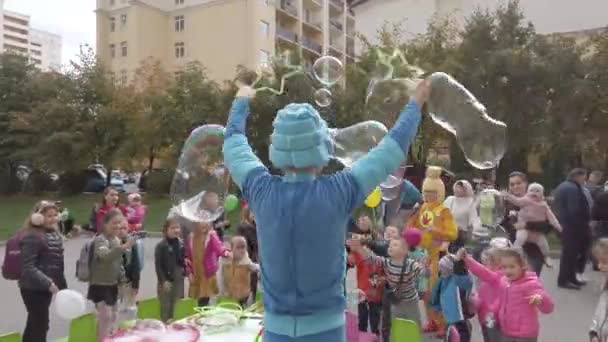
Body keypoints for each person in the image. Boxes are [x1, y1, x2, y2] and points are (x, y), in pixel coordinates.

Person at [222, 78, 429, 342]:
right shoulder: (339, 191)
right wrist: (416, 102)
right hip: (326, 331)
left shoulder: (260, 190)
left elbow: (233, 145)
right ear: (319, 148)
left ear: (278, 148)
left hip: (276, 330)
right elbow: (392, 150)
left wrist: (241, 101)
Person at [461, 247, 554, 342]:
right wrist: (467, 260)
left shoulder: (530, 283)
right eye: (504, 267)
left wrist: (541, 299)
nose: (508, 271)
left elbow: (548, 307)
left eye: (512, 267)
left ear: (523, 266)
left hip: (525, 334)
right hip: (507, 332)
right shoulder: (504, 281)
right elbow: (485, 274)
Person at [406, 166, 458, 336]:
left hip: (437, 257)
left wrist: (436, 232)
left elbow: (453, 233)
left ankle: (442, 323)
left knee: (437, 291)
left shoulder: (444, 211)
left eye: (433, 192)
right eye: (426, 192)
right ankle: (431, 321)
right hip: (422, 256)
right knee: (425, 292)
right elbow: (411, 227)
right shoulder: (421, 208)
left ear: (440, 193)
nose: (429, 195)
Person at [349, 236, 423, 341]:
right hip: (396, 302)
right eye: (390, 245)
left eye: (395, 245)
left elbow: (423, 272)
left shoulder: (411, 264)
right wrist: (358, 247)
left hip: (411, 302)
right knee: (396, 326)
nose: (390, 247)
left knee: (414, 326)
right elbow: (370, 258)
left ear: (404, 250)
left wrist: (425, 269)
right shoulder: (386, 263)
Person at [19, 201, 67, 342]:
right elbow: (28, 267)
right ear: (37, 217)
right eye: (48, 216)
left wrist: (63, 287)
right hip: (32, 287)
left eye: (55, 215)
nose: (53, 218)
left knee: (36, 323)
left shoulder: (54, 234)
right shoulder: (32, 236)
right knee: (40, 324)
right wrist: (48, 283)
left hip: (46, 287)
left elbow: (57, 264)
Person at [88, 209, 136, 341]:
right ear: (105, 224)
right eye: (113, 223)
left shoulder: (116, 239)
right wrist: (124, 247)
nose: (117, 226)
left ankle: (109, 337)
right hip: (99, 284)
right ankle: (101, 339)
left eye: (119, 223)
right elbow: (105, 257)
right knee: (105, 316)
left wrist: (123, 281)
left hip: (113, 284)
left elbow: (118, 263)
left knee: (114, 315)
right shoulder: (100, 240)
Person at [503, 183, 562, 267]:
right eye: (531, 191)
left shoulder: (544, 205)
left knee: (543, 244)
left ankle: (546, 256)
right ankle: (515, 252)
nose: (534, 193)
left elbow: (551, 218)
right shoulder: (525, 200)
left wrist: (558, 227)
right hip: (523, 229)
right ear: (528, 192)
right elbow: (516, 201)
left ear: (542, 193)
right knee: (520, 238)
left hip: (536, 232)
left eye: (537, 191)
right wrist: (508, 196)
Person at [553, 168, 592, 289]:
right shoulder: (572, 188)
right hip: (573, 227)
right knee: (569, 254)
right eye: (583, 178)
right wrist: (582, 223)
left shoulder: (564, 186)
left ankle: (571, 277)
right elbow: (574, 209)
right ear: (578, 176)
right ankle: (564, 280)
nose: (584, 181)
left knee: (572, 254)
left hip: (566, 225)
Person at [429, 254, 473, 342]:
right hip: (449, 316)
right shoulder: (441, 280)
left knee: (461, 335)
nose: (441, 270)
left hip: (460, 316)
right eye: (441, 267)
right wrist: (436, 306)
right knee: (450, 335)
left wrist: (459, 263)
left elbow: (467, 282)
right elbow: (435, 294)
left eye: (443, 267)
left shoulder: (459, 279)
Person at [185, 221, 230, 307]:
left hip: (207, 273)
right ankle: (201, 314)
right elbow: (188, 257)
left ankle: (205, 313)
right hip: (196, 273)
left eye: (207, 222)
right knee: (199, 299)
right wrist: (189, 272)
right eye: (201, 222)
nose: (204, 224)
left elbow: (219, 247)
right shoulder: (191, 237)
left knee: (205, 298)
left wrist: (226, 253)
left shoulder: (211, 235)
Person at [347, 237, 384, 335]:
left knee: (374, 320)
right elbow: (351, 261)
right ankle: (362, 336)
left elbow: (384, 275)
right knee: (362, 319)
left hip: (375, 294)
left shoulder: (381, 257)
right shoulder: (359, 255)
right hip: (362, 292)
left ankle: (374, 336)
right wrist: (352, 249)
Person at [155, 218, 188, 322]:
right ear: (166, 230)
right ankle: (164, 325)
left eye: (177, 227)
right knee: (165, 306)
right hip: (166, 280)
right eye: (172, 228)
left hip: (179, 279)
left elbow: (183, 260)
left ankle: (176, 328)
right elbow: (158, 266)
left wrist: (186, 268)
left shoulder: (181, 244)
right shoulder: (161, 246)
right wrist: (163, 281)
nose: (176, 230)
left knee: (178, 304)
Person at [217, 236, 260, 307]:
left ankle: (243, 307)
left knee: (242, 306)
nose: (241, 250)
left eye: (243, 247)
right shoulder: (225, 260)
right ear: (231, 248)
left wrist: (262, 268)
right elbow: (220, 276)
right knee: (231, 307)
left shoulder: (245, 259)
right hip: (229, 293)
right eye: (238, 247)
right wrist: (221, 291)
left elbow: (253, 267)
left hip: (243, 292)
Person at [444, 180, 481, 253]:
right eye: (456, 187)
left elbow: (472, 222)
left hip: (461, 234)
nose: (457, 189)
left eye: (460, 187)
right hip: (447, 231)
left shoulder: (471, 202)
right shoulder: (450, 199)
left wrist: (470, 238)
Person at [116, 217, 141, 321]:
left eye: (124, 228)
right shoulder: (112, 243)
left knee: (131, 304)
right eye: (119, 228)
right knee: (115, 305)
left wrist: (136, 283)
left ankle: (131, 323)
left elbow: (136, 264)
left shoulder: (132, 243)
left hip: (129, 280)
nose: (122, 231)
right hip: (115, 281)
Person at [237, 205, 259, 300]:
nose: (254, 215)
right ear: (247, 213)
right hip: (249, 256)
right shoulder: (247, 227)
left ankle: (246, 300)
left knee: (248, 281)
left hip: (246, 256)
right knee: (249, 281)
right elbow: (255, 243)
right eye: (252, 213)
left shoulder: (248, 225)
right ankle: (248, 301)